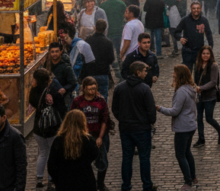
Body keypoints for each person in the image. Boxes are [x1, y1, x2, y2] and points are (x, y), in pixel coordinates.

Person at [111, 61, 156, 191]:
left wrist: (123, 119)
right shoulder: (144, 88)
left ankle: (126, 186)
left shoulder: (120, 88)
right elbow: (151, 109)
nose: (146, 73)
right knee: (144, 158)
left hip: (125, 128)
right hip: (142, 129)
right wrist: (150, 121)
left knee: (127, 157)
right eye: (144, 71)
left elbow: (115, 109)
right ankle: (147, 185)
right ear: (138, 72)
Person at [156, 65, 199, 191]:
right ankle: (193, 176)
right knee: (187, 152)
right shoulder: (191, 88)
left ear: (179, 75)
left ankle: (188, 181)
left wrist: (160, 108)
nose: (173, 75)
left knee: (180, 155)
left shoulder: (181, 92)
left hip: (183, 127)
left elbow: (175, 111)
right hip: (191, 125)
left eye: (174, 73)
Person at [69, 77, 112, 191]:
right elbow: (72, 118)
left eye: (94, 88)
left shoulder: (100, 100)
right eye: (90, 89)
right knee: (82, 161)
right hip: (82, 136)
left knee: (103, 160)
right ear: (84, 89)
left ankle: (100, 184)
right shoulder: (78, 101)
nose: (93, 91)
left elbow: (104, 119)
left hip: (97, 133)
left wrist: (100, 137)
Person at [29, 68, 67, 189]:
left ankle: (39, 178)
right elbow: (62, 108)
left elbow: (33, 103)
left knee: (43, 152)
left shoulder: (33, 92)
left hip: (39, 128)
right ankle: (51, 177)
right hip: (52, 127)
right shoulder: (53, 91)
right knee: (52, 152)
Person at [46, 110, 99, 191]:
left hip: (64, 182)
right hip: (85, 182)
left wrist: (57, 179)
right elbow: (94, 155)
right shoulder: (88, 140)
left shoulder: (59, 140)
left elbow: (51, 165)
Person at [192, 45, 220, 146]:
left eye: (207, 53)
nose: (205, 55)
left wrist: (201, 88)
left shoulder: (213, 66)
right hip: (200, 96)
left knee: (209, 118)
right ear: (200, 54)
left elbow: (213, 82)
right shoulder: (197, 65)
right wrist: (195, 88)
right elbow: (195, 80)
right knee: (199, 118)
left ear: (210, 55)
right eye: (203, 53)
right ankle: (201, 139)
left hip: (210, 96)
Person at [174, 2, 214, 70]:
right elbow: (176, 32)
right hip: (187, 51)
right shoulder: (185, 20)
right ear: (191, 9)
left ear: (201, 9)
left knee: (199, 72)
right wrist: (180, 38)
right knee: (187, 73)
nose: (196, 10)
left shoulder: (204, 20)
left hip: (199, 51)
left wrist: (210, 46)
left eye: (198, 8)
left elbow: (209, 33)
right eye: (194, 8)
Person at [81, 19, 115, 96]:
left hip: (89, 74)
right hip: (103, 73)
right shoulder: (108, 42)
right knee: (103, 98)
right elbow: (111, 59)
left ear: (95, 28)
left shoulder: (88, 41)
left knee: (89, 97)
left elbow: (83, 57)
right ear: (105, 29)